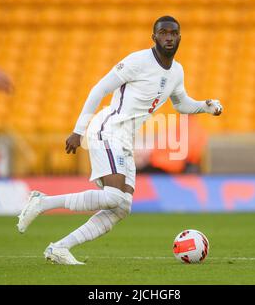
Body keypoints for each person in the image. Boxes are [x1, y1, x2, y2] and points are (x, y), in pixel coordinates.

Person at [17, 16, 223, 265]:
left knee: (121, 207)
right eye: (163, 32)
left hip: (125, 139)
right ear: (154, 37)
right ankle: (42, 202)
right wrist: (78, 130)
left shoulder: (177, 71)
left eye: (173, 33)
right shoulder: (137, 61)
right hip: (108, 129)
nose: (168, 37)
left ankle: (59, 248)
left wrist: (205, 106)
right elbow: (99, 89)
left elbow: (181, 104)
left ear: (179, 37)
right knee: (114, 196)